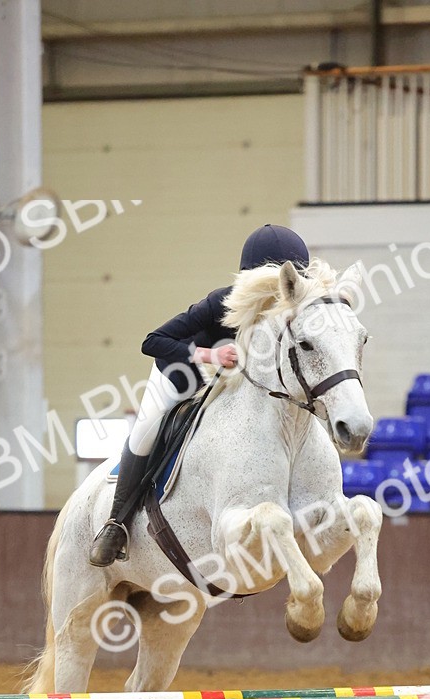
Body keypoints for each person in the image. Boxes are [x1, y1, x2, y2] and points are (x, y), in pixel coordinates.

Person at [89, 224, 310, 566]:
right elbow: (153, 341)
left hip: (235, 389)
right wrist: (211, 355)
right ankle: (115, 524)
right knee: (146, 435)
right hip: (183, 375)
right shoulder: (220, 301)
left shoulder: (292, 316)